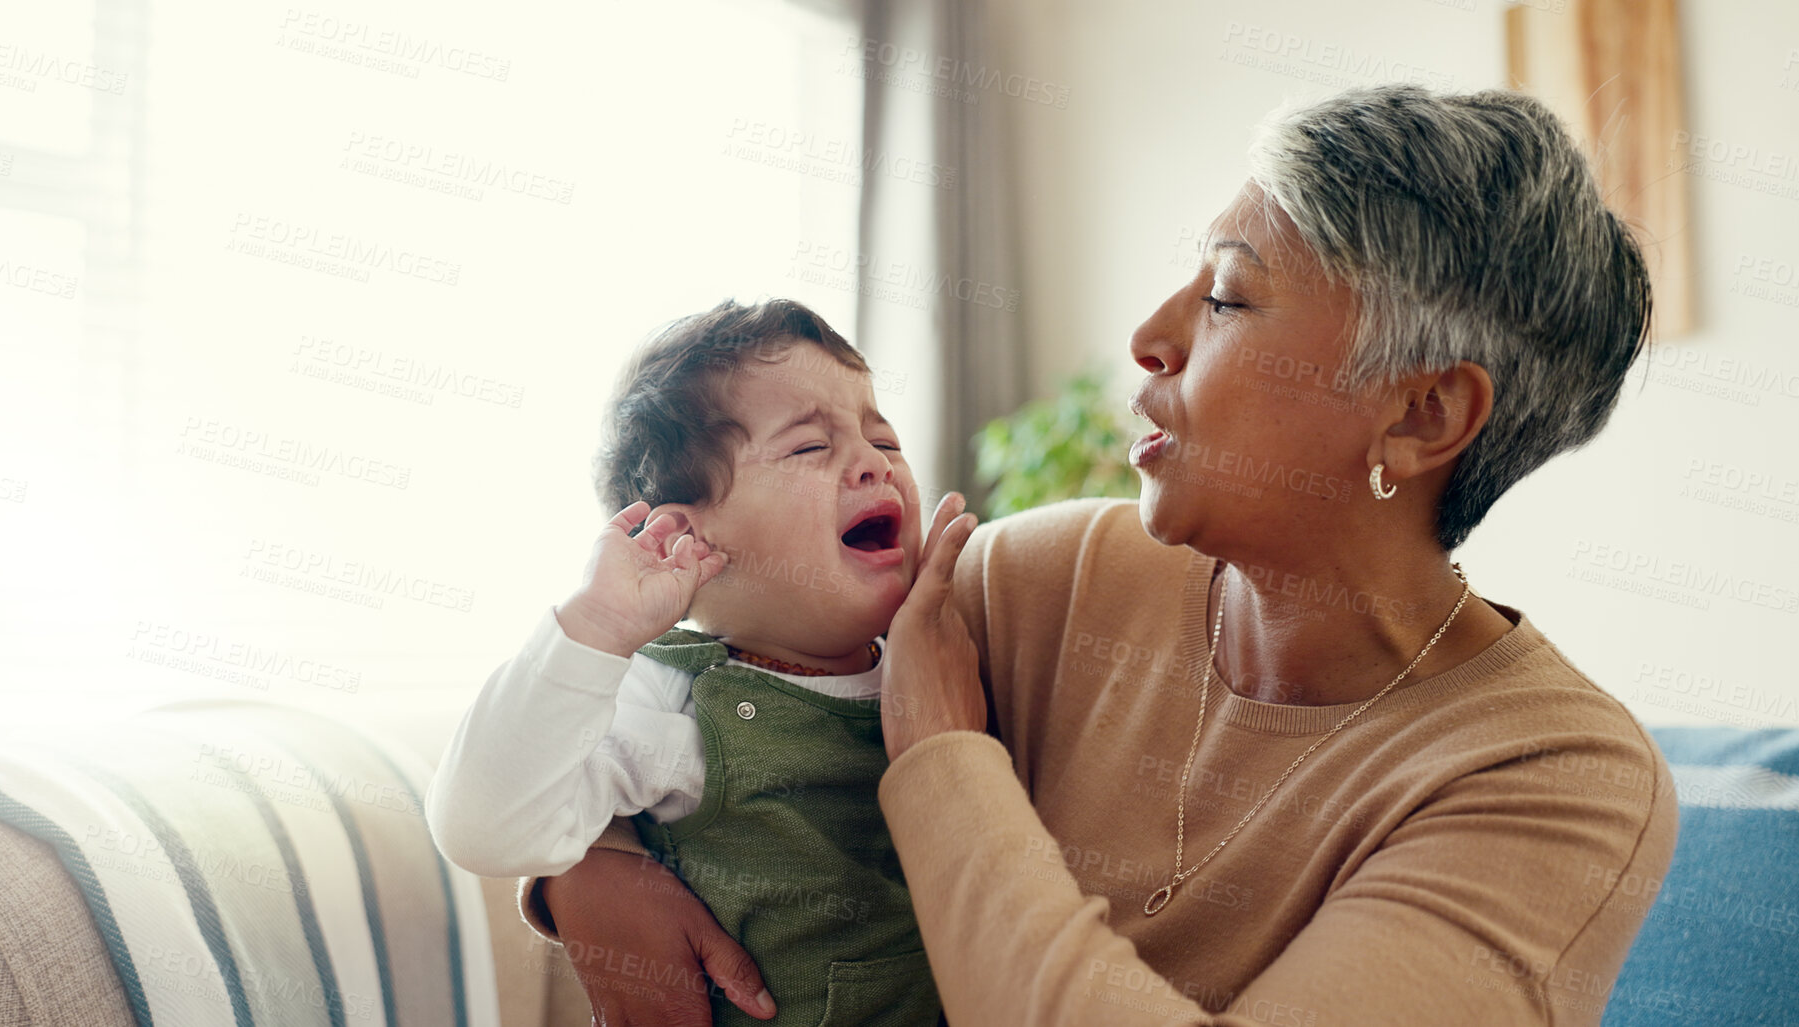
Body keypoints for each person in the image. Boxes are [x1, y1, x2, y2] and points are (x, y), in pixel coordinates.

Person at [521, 84, 1678, 1027]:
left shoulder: (1556, 783)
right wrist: (591, 866)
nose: (1150, 334)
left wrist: (940, 757)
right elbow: (704, 642)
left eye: (1227, 296)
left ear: (1423, 418)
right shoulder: (1039, 580)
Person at [425, 299, 947, 1025]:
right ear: (686, 537)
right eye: (808, 447)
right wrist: (596, 625)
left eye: (884, 439)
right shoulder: (677, 701)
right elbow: (482, 825)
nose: (872, 464)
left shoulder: (951, 651)